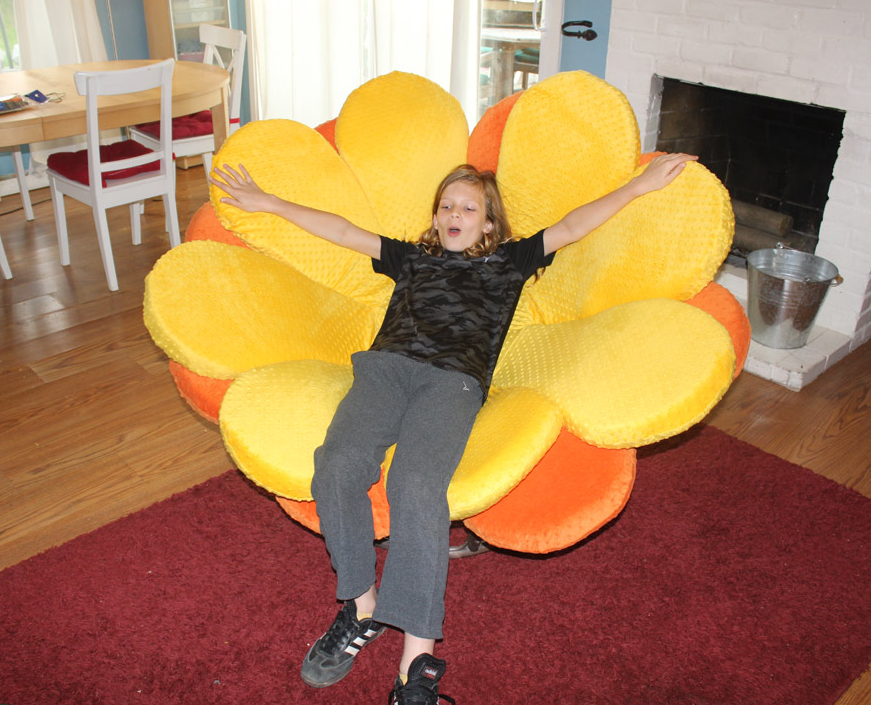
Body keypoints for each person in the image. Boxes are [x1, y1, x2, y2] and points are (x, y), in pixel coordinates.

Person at [211, 153, 696, 704]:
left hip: (452, 384)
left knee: (416, 487)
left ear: (489, 222)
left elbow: (574, 224)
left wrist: (640, 186)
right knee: (339, 465)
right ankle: (361, 603)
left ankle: (415, 658)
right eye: (446, 206)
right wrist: (265, 202)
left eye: (469, 207)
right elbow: (342, 231)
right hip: (385, 369)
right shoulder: (412, 258)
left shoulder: (510, 262)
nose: (454, 214)